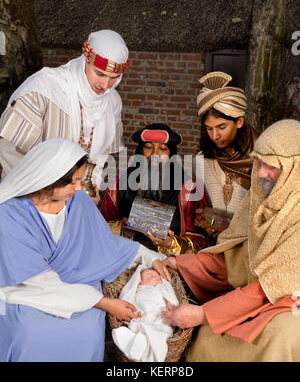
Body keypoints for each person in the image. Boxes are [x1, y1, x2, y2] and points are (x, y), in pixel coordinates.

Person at [0, 137, 171, 362]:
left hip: (80, 285)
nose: (80, 188)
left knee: (87, 330)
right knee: (30, 333)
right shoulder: (9, 215)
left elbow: (103, 242)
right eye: (74, 182)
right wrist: (105, 303)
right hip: (27, 293)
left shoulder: (77, 201)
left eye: (81, 180)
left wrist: (148, 256)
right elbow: (34, 281)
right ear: (49, 179)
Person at [162, 119, 300, 362]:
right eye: (259, 163)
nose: (261, 174)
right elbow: (236, 261)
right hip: (259, 298)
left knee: (282, 338)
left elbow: (266, 288)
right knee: (207, 338)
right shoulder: (262, 200)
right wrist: (181, 263)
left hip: (289, 306)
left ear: (294, 171)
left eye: (272, 167)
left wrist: (202, 313)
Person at [0, 29, 130, 203]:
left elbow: (101, 155)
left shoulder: (112, 102)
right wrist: (45, 193)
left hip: (73, 199)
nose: (105, 85)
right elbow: (8, 149)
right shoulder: (44, 87)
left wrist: (91, 185)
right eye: (100, 74)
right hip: (27, 198)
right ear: (86, 60)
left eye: (114, 77)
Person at [100, 123, 209, 255]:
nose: (154, 154)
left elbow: (202, 243)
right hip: (127, 256)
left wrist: (171, 243)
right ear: (140, 151)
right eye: (148, 147)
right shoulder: (120, 184)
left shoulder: (188, 189)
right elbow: (99, 228)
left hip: (170, 262)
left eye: (162, 149)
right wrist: (120, 229)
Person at [195, 72, 259, 238]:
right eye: (209, 128)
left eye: (221, 127)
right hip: (212, 243)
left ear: (239, 122)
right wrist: (206, 225)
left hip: (247, 245)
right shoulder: (202, 160)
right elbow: (201, 207)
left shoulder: (261, 159)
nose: (215, 136)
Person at [112, 265, 178, 362]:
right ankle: (144, 335)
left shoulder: (162, 289)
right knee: (144, 318)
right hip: (144, 315)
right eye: (151, 275)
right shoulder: (139, 291)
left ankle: (143, 339)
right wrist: (134, 313)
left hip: (162, 316)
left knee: (165, 326)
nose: (156, 276)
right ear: (139, 282)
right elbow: (131, 303)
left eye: (157, 275)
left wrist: (170, 305)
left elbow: (173, 301)